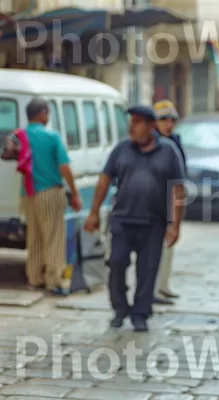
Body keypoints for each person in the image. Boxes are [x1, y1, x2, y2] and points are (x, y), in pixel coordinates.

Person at [83, 105, 185, 332]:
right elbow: (104, 180)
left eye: (138, 122)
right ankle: (120, 308)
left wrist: (174, 225)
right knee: (117, 262)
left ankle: (140, 313)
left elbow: (178, 190)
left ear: (151, 126)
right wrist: (93, 213)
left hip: (153, 222)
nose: (132, 127)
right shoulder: (121, 150)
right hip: (122, 219)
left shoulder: (168, 152)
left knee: (148, 270)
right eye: (131, 122)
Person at [21, 98, 82, 295]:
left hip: (28, 193)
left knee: (35, 236)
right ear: (43, 114)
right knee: (54, 236)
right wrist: (74, 192)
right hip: (49, 191)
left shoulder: (22, 135)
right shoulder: (51, 136)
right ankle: (54, 279)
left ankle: (34, 276)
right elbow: (64, 167)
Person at [153, 100, 187, 305]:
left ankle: (163, 285)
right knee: (154, 249)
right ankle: (154, 289)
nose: (168, 124)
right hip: (153, 202)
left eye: (172, 119)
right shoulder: (152, 142)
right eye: (163, 119)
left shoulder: (174, 142)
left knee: (168, 246)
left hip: (170, 199)